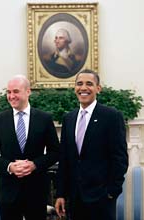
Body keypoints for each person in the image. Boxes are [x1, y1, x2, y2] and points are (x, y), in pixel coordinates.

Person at [55, 69, 128, 220]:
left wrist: (111, 192)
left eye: (89, 84)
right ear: (75, 88)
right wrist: (60, 193)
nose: (83, 88)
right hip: (75, 199)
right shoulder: (69, 118)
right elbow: (64, 160)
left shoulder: (111, 116)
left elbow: (119, 158)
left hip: (101, 198)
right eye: (79, 84)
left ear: (98, 89)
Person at [0, 75, 59, 220]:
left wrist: (34, 165)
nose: (11, 96)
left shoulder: (44, 119)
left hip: (36, 192)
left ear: (28, 92)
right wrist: (9, 166)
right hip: (8, 193)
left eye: (16, 91)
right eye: (9, 92)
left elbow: (55, 152)